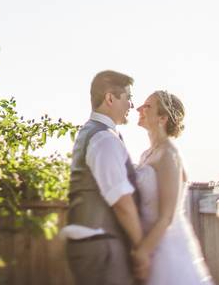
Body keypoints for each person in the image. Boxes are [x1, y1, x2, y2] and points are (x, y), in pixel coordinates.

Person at [65, 70, 148, 285]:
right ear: (110, 98)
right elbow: (121, 202)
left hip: (92, 245)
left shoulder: (90, 132)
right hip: (102, 248)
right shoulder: (104, 139)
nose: (131, 105)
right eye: (128, 97)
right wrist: (141, 248)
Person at [132, 90, 214, 284]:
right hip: (147, 240)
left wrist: (143, 252)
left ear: (162, 118)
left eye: (147, 106)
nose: (139, 109)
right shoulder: (146, 155)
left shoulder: (169, 154)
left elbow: (167, 216)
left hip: (166, 249)